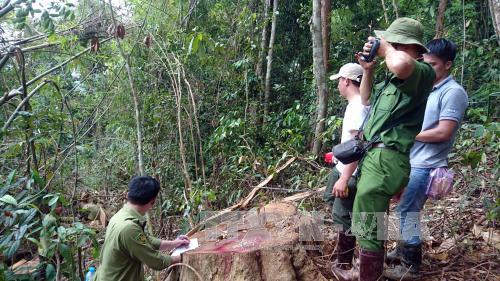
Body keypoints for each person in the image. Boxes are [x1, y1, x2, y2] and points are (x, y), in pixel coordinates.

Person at [338, 17, 436, 281]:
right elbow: (367, 97)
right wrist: (368, 70)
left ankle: (368, 275)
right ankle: (369, 268)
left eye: (391, 43)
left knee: (369, 215)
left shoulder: (422, 72)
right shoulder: (393, 81)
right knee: (367, 213)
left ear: (401, 44)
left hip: (387, 156)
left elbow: (403, 63)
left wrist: (387, 49)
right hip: (375, 155)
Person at [384, 38, 468, 280]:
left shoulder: (453, 92)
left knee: (407, 211)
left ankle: (411, 265)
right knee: (404, 208)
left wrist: (409, 133)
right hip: (411, 160)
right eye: (424, 63)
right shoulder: (426, 88)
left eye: (433, 64)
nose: (427, 68)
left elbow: (444, 132)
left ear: (448, 65)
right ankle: (401, 250)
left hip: (426, 164)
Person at [322, 63, 369, 279]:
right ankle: (346, 258)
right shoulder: (354, 104)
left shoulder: (359, 106)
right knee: (333, 203)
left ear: (347, 81)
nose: (338, 85)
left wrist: (345, 177)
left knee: (344, 216)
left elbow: (359, 146)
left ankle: (345, 266)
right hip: (342, 167)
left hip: (350, 172)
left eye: (340, 81)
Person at [95, 176, 190, 281]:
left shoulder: (121, 216)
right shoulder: (129, 228)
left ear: (128, 195)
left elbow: (145, 240)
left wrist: (174, 243)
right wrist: (182, 258)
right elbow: (155, 261)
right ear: (152, 201)